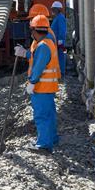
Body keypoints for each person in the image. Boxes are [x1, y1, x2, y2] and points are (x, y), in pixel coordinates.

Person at [14, 15, 61, 153]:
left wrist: (32, 82)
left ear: (34, 30)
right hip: (48, 87)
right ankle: (51, 138)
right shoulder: (47, 43)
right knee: (49, 114)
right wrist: (25, 53)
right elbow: (37, 58)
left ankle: (44, 144)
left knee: (42, 115)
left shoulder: (43, 46)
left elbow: (39, 66)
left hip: (41, 88)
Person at [50, 1, 67, 75]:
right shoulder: (57, 17)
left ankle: (61, 72)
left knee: (60, 56)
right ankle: (58, 72)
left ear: (57, 9)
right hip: (55, 41)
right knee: (57, 56)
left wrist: (60, 41)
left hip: (58, 41)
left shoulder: (60, 18)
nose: (52, 11)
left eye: (53, 9)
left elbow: (62, 30)